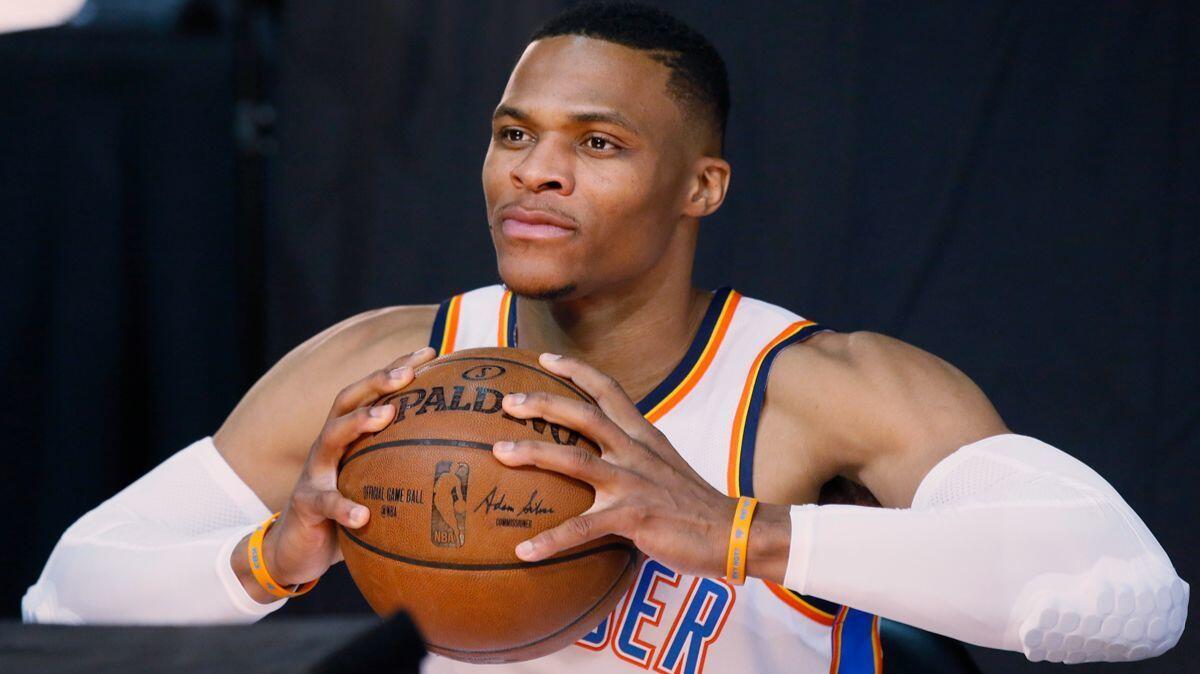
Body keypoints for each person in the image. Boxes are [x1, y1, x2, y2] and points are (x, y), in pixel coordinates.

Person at [23, 2, 1186, 671]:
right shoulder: (383, 367)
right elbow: (64, 599)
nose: (534, 170)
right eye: (513, 132)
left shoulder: (821, 388)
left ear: (704, 185)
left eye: (598, 143)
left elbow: (1128, 594)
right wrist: (275, 554)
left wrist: (737, 530)